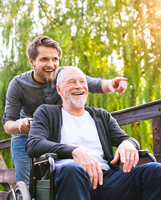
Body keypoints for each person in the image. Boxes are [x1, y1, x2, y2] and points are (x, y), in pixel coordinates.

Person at [25, 66, 161, 200]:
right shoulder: (46, 112)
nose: (79, 86)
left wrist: (128, 143)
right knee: (72, 169)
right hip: (68, 181)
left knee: (158, 171)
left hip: (106, 180)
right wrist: (74, 151)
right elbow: (33, 144)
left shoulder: (101, 115)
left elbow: (125, 138)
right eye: (71, 82)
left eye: (82, 82)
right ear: (60, 90)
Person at [2, 36, 128, 189]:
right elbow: (8, 125)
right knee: (28, 189)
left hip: (56, 135)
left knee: (60, 181)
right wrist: (19, 124)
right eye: (44, 59)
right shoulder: (18, 84)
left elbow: (94, 84)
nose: (51, 64)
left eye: (55, 59)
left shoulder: (65, 76)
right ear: (31, 62)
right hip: (26, 137)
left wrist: (112, 84)